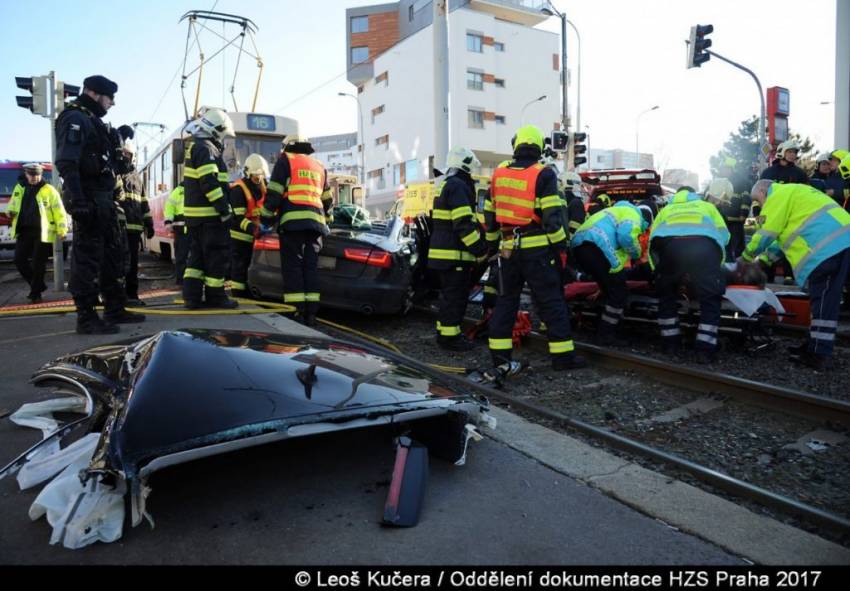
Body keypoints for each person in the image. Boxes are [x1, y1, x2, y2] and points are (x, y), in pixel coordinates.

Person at [486, 124, 586, 371]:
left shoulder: (498, 174)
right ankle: (563, 358)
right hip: (538, 251)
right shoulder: (544, 174)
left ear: (516, 145)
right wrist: (560, 248)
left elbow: (489, 216)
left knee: (505, 302)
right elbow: (552, 217)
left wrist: (491, 246)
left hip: (507, 249)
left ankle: (500, 359)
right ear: (539, 148)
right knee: (551, 302)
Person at [54, 75, 145, 334]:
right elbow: (67, 162)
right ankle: (86, 318)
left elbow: (106, 162)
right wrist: (79, 199)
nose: (112, 103)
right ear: (94, 94)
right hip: (89, 198)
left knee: (112, 257)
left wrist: (118, 140)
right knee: (88, 259)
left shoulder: (94, 122)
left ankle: (115, 308)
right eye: (110, 98)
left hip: (103, 200)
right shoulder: (75, 118)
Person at [740, 180, 850, 369]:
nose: (760, 206)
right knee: (823, 300)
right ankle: (813, 345)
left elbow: (766, 233)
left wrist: (745, 258)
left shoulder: (777, 196)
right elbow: (780, 241)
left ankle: (819, 354)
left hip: (827, 249)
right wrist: (763, 261)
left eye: (758, 200)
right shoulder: (794, 192)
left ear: (763, 190)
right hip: (840, 241)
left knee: (824, 301)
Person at [259, 135, 333, 326]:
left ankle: (296, 312)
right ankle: (311, 314)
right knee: (311, 268)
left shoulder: (286, 161)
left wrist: (265, 219)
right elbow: (327, 199)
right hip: (316, 225)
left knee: (293, 268)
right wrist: (328, 221)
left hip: (293, 224)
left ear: (287, 147)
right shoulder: (319, 166)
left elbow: (274, 193)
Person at [648, 189, 730, 363]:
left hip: (671, 249)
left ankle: (671, 345)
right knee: (710, 299)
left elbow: (652, 240)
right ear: (694, 195)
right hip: (703, 247)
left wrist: (659, 273)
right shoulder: (707, 207)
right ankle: (704, 350)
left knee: (667, 297)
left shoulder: (666, 210)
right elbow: (724, 235)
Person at [427, 147, 488, 351]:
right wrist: (480, 249)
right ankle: (451, 339)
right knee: (455, 298)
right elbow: (463, 223)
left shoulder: (446, 184)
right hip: (454, 256)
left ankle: (444, 333)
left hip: (443, 255)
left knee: (448, 297)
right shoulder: (459, 187)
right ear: (466, 164)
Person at [181, 108, 239, 310]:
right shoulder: (207, 148)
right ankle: (216, 297)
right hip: (210, 218)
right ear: (216, 130)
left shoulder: (197, 146)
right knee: (217, 256)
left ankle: (192, 297)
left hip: (196, 219)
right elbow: (210, 183)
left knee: (197, 259)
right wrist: (224, 210)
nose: (224, 139)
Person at [570, 200, 650, 345]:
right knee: (620, 292)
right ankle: (606, 334)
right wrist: (637, 254)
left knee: (610, 290)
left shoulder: (612, 212)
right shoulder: (633, 215)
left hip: (579, 247)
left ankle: (612, 329)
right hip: (596, 246)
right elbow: (626, 236)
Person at [6, 163, 67, 303]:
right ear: (26, 174)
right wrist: (10, 211)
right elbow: (13, 203)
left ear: (41, 175)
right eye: (31, 175)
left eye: (37, 175)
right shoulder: (20, 187)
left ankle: (35, 294)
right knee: (19, 260)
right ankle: (39, 285)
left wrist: (62, 230)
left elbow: (59, 212)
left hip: (42, 232)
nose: (34, 178)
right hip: (24, 230)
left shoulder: (49, 190)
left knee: (38, 264)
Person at [116, 140, 153, 306]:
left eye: (127, 154)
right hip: (118, 229)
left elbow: (144, 202)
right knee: (119, 265)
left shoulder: (137, 178)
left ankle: (132, 295)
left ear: (133, 157)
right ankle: (118, 296)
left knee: (132, 265)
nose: (124, 157)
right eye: (122, 153)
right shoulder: (114, 172)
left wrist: (149, 222)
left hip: (134, 230)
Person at [228, 153, 269, 298]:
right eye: (256, 176)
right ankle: (238, 295)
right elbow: (238, 218)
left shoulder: (264, 188)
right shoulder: (238, 190)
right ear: (248, 174)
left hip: (256, 236)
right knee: (240, 266)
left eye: (261, 176)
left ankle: (249, 291)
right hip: (240, 236)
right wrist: (254, 228)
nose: (258, 179)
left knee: (251, 267)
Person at [164, 182, 188, 284]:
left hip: (183, 229)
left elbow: (169, 206)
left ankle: (182, 279)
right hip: (185, 229)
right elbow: (169, 207)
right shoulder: (180, 191)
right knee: (184, 256)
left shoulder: (177, 192)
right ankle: (182, 279)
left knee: (182, 256)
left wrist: (169, 222)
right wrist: (169, 221)